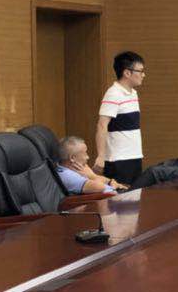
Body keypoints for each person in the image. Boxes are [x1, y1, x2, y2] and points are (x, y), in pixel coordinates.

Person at [95, 51, 145, 184]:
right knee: (121, 196)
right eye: (140, 71)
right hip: (118, 160)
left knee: (135, 195)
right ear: (127, 73)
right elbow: (102, 125)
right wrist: (101, 156)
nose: (143, 75)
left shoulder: (133, 93)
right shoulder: (113, 94)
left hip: (134, 156)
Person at [56, 136, 126, 195]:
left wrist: (110, 182)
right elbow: (100, 187)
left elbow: (105, 181)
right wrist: (92, 176)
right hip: (102, 202)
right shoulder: (67, 175)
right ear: (72, 158)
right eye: (85, 153)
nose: (88, 157)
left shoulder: (78, 170)